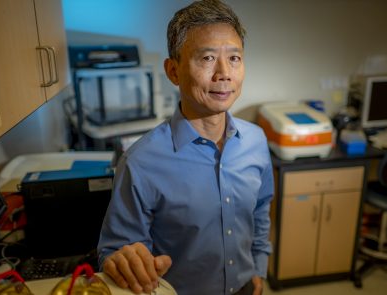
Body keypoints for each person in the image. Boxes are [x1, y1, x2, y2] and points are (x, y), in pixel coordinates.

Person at [97, 0, 274, 294]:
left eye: (234, 58)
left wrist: (258, 269)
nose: (224, 74)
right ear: (174, 71)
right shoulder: (140, 162)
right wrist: (124, 261)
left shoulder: (256, 141)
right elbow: (116, 251)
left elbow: (260, 211)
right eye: (206, 58)